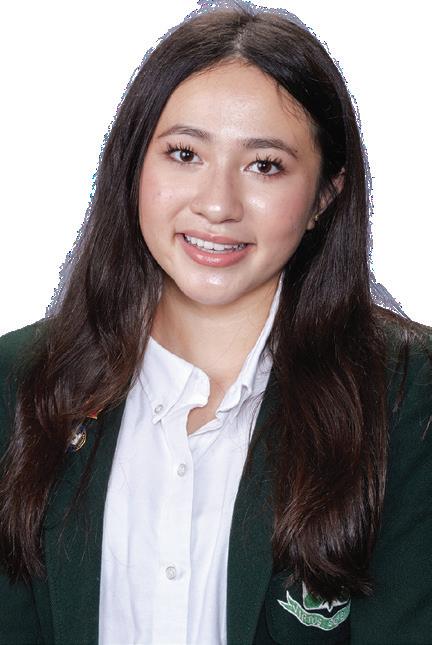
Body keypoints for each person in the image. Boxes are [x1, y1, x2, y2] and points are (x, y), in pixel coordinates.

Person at [0, 1, 431, 644]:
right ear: (133, 167)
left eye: (265, 165)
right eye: (184, 154)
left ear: (324, 196)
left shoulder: (409, 395)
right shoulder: (18, 379)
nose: (217, 204)